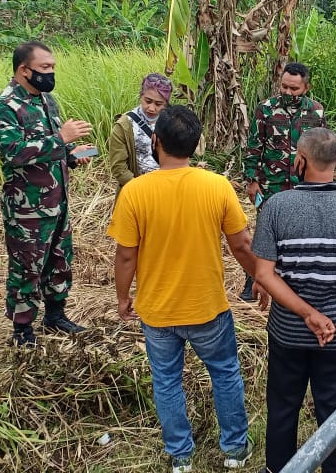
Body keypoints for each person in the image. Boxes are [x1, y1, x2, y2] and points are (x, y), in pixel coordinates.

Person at [109, 105, 258, 473]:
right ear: (195, 145)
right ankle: (235, 450)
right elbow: (241, 245)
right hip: (207, 307)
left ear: (156, 141)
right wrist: (261, 280)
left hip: (158, 311)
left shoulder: (135, 192)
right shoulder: (216, 185)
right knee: (224, 373)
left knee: (166, 380)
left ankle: (180, 455)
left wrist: (123, 297)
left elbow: (126, 256)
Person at [250, 128, 336, 473]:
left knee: (282, 406)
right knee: (334, 409)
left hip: (287, 331)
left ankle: (278, 468)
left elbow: (264, 275)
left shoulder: (276, 206)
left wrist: (305, 313)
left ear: (300, 160)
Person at [0, 41, 95, 347]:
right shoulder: (5, 106)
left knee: (59, 260)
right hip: (27, 208)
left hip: (56, 201)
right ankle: (23, 330)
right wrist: (61, 139)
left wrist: (72, 153)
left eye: (52, 68)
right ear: (24, 70)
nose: (50, 73)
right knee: (27, 267)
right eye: (44, 68)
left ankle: (55, 314)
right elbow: (13, 153)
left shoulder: (48, 101)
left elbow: (50, 148)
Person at [238, 62, 326, 302]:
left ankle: (295, 282)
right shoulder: (266, 109)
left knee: (303, 231)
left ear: (306, 87)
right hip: (271, 185)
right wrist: (251, 180)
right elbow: (254, 146)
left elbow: (322, 149)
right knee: (264, 234)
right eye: (284, 87)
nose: (288, 92)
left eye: (294, 89)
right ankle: (253, 280)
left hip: (303, 185)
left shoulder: (316, 112)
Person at [108, 72, 172, 193]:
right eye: (148, 101)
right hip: (138, 189)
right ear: (140, 96)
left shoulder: (173, 121)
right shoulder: (124, 126)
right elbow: (118, 167)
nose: (152, 108)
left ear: (166, 103)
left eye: (159, 104)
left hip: (168, 188)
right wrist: (140, 190)